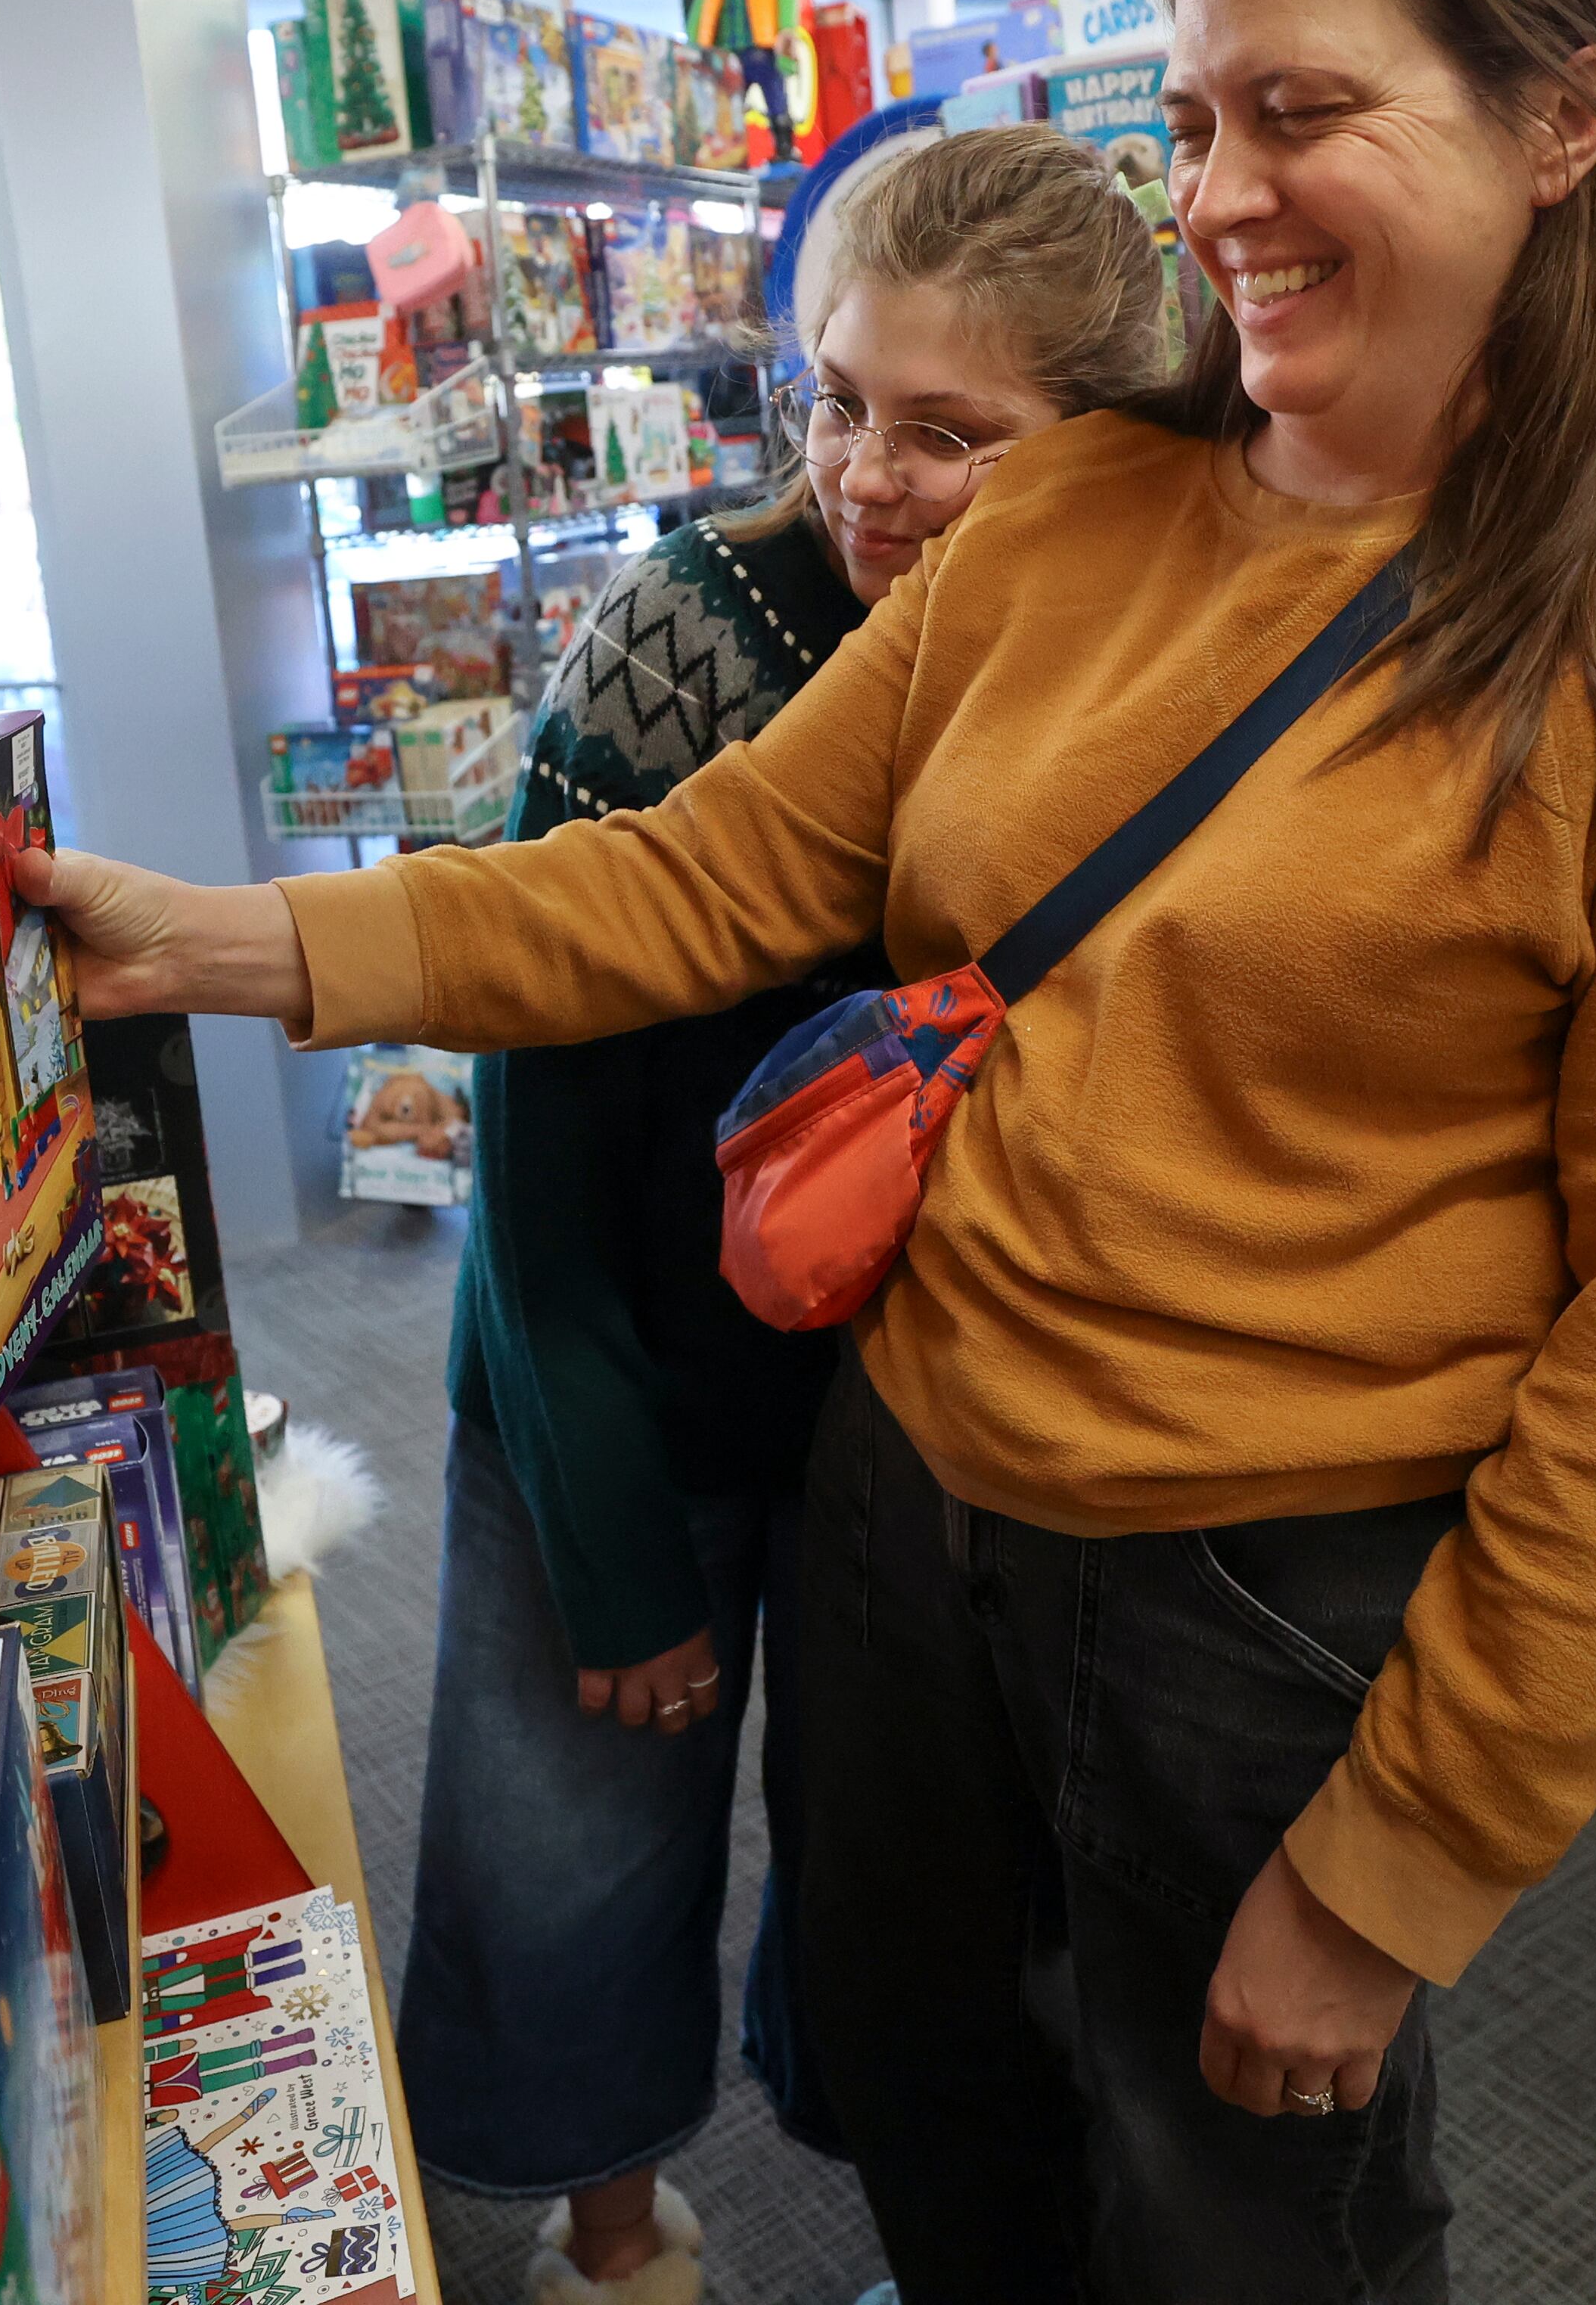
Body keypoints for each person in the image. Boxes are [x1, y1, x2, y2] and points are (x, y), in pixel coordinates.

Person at [26, 0, 1596, 2305]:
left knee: (1245, 2234)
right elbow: (700, 879)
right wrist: (234, 943)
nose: (1224, 195)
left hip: (1270, 1620)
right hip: (906, 1532)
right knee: (945, 2149)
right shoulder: (1075, 521)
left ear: (1568, 117)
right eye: (1193, 120)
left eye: (1303, 110)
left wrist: (1402, 1866)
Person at [402, 129, 1172, 2305]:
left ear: (1107, 445)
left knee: (898, 1905)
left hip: (906, 1442)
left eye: (955, 433)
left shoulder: (1131, 663)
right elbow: (538, 1140)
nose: (868, 473)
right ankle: (618, 2246)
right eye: (838, 401)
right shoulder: (685, 634)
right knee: (572, 1860)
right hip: (614, 1379)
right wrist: (617, 1534)